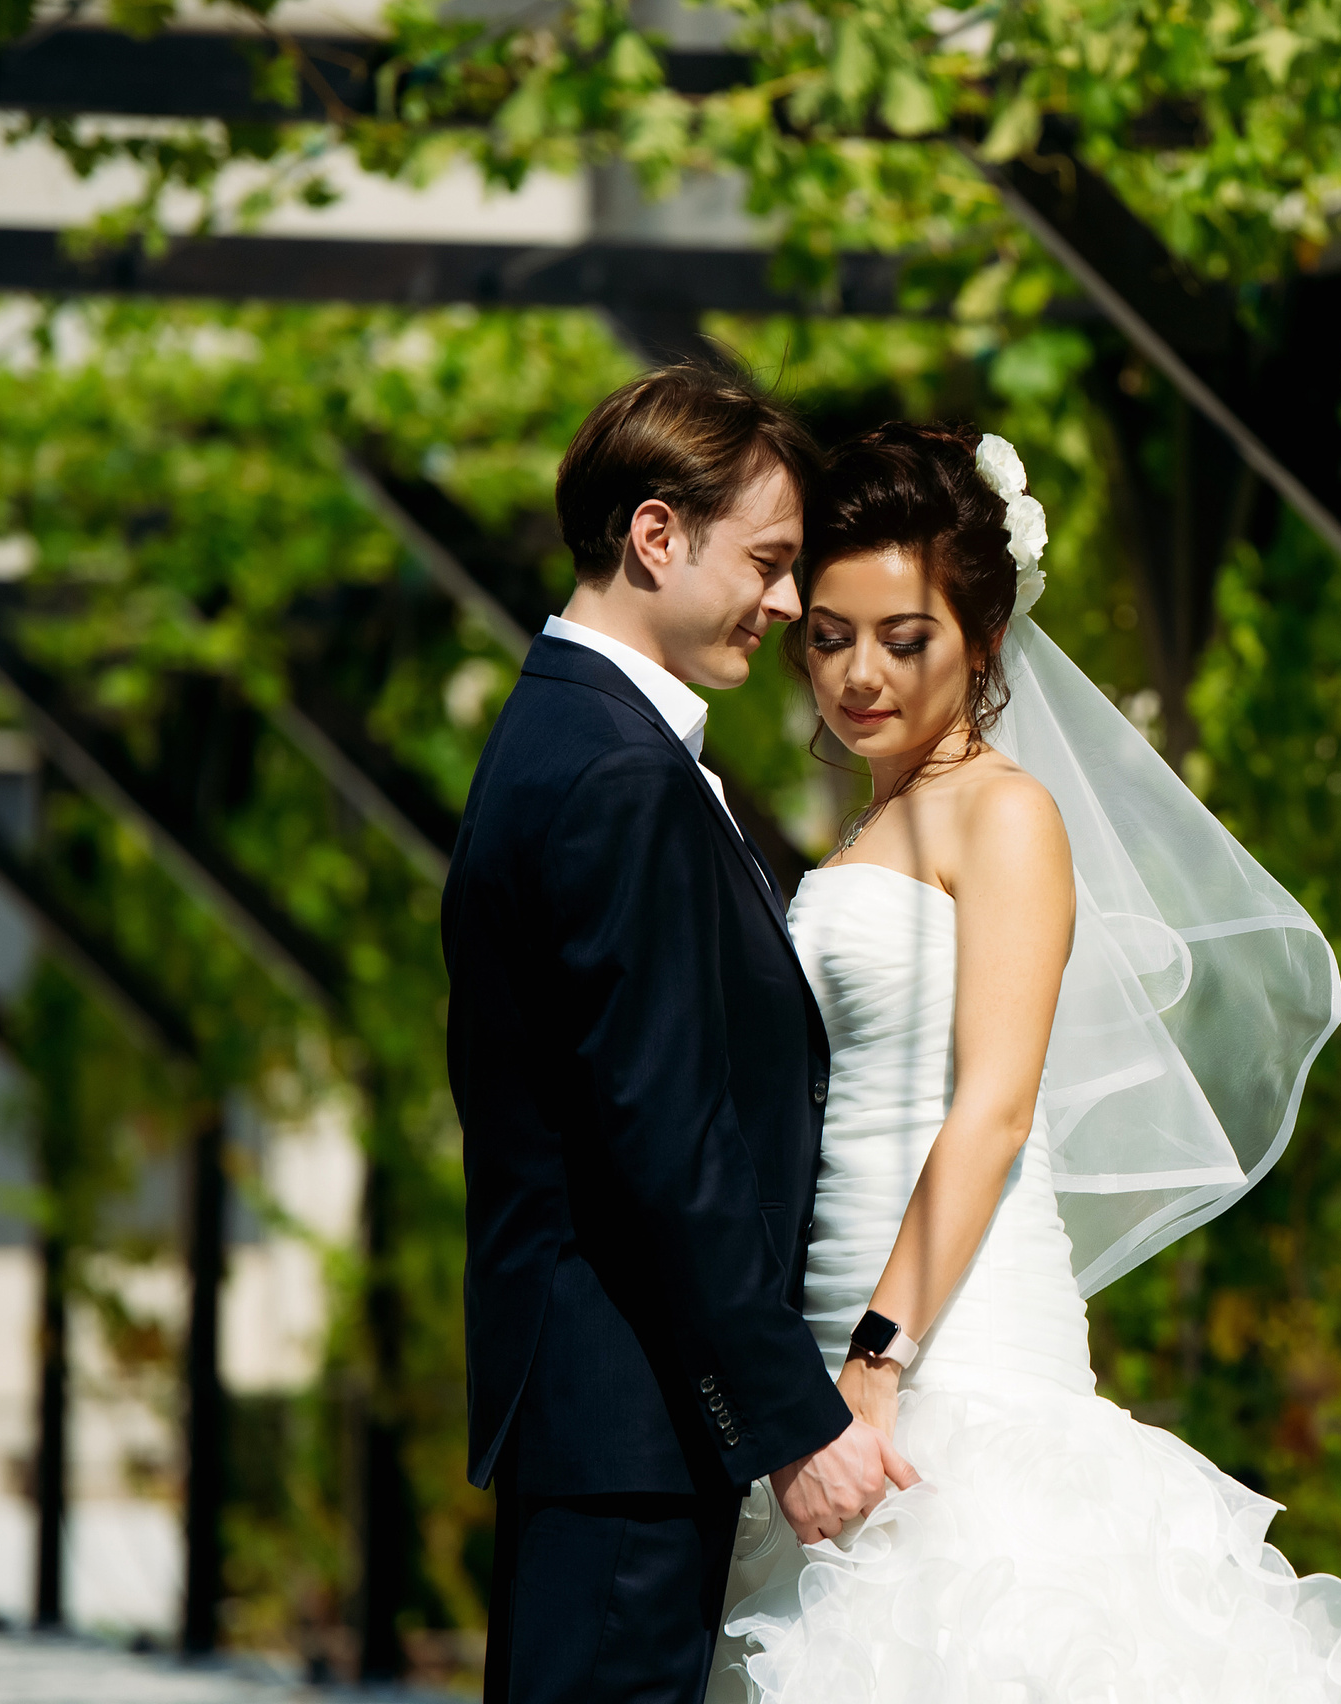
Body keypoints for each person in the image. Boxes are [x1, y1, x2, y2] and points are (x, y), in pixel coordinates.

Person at [715, 421, 1341, 1702]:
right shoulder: (876, 818)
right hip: (830, 1328)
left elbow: (991, 1111)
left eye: (903, 637)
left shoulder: (1007, 811)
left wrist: (877, 1368)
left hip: (949, 1342)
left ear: (981, 642)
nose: (856, 674)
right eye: (829, 635)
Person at [444, 364, 917, 1704]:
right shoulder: (614, 772)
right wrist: (788, 1420)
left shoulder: (563, 734)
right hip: (633, 1434)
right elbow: (660, 1131)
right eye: (767, 562)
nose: (786, 603)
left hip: (613, 1426)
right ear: (657, 536)